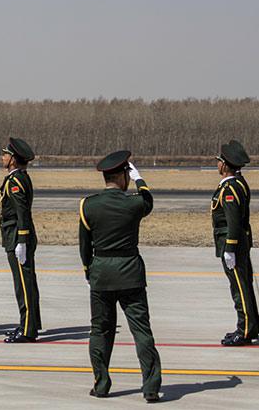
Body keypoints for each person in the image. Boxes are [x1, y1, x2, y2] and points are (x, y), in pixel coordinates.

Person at [79, 150, 162, 402]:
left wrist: (89, 271)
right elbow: (148, 200)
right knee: (141, 331)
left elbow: (84, 246)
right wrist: (140, 179)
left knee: (100, 331)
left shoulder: (88, 205)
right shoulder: (134, 203)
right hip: (130, 274)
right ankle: (150, 387)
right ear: (123, 175)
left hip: (101, 273)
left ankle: (101, 384)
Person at [211, 139, 259, 345]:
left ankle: (245, 328)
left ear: (225, 164)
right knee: (244, 285)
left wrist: (229, 247)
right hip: (239, 243)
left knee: (239, 288)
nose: (217, 164)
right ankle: (251, 325)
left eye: (219, 161)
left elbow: (233, 221)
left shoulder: (230, 188)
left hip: (233, 244)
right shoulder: (238, 183)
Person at [0, 136, 40, 343]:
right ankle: (30, 323)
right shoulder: (20, 177)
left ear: (13, 159)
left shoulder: (15, 181)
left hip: (17, 235)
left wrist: (21, 241)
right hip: (17, 234)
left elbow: (22, 212)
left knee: (23, 285)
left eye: (5, 154)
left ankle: (27, 329)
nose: (3, 157)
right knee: (27, 283)